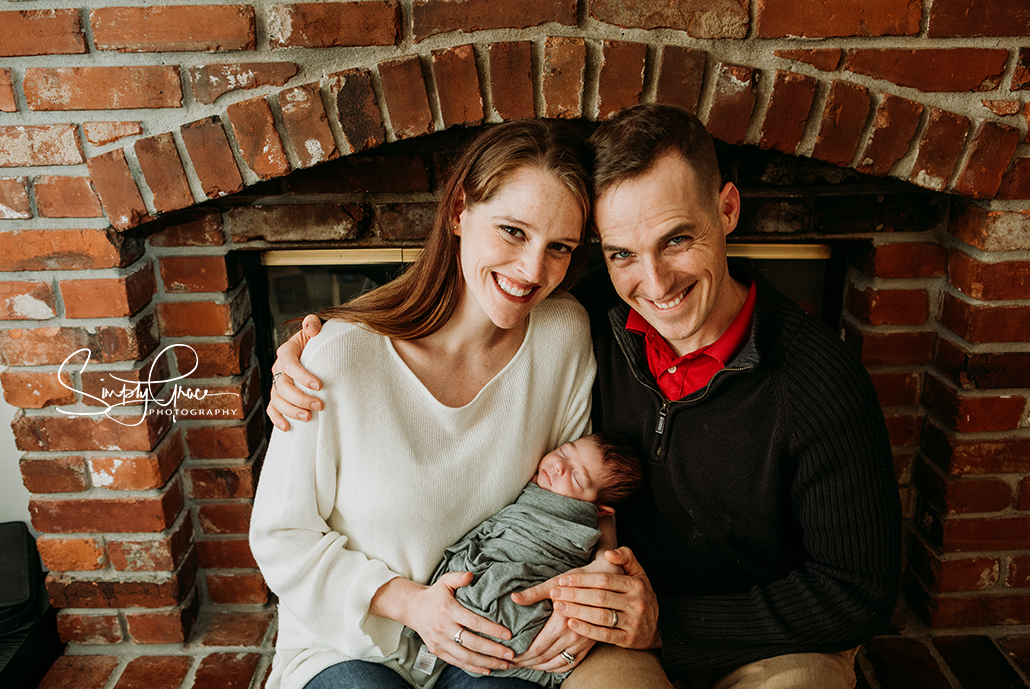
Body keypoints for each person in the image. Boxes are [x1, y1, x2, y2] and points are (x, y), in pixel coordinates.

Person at [268, 104, 902, 689]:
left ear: (727, 211)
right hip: (577, 627)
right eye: (623, 252)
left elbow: (860, 591)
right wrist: (310, 346)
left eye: (677, 239)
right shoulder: (588, 315)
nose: (654, 284)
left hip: (754, 635)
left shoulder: (815, 381)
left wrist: (647, 615)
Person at [250, 119, 609, 689]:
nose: (533, 271)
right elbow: (281, 536)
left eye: (559, 247)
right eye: (513, 232)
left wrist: (590, 590)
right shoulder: (338, 357)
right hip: (353, 643)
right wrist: (412, 605)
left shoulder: (562, 335)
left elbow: (581, 499)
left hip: (496, 633)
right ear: (459, 210)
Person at [425, 432, 642, 688]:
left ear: (600, 511)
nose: (559, 466)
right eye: (564, 451)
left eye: (576, 476)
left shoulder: (578, 527)